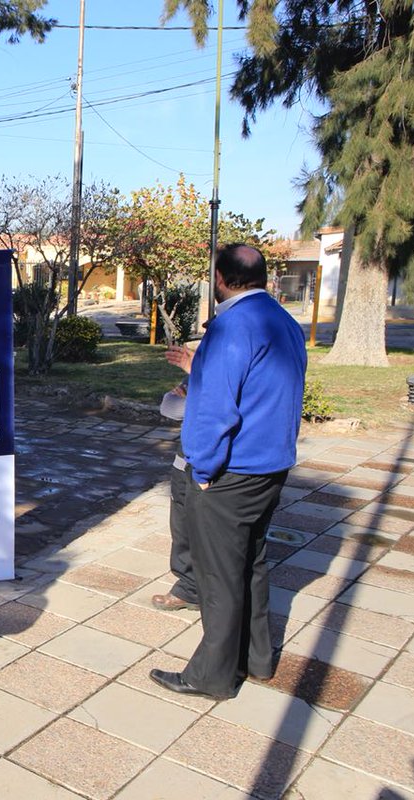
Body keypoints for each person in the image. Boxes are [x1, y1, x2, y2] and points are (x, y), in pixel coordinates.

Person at [150, 244, 306, 701]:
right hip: (272, 465)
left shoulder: (230, 326)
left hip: (231, 471)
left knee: (219, 576)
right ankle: (257, 659)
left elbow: (215, 409)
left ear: (220, 279)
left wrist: (202, 466)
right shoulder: (284, 322)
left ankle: (211, 676)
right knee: (251, 564)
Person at [151, 348, 199, 613]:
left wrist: (195, 399)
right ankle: (189, 586)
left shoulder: (221, 369)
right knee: (181, 524)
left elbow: (213, 407)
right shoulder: (199, 366)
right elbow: (169, 406)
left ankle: (199, 588)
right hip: (185, 458)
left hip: (208, 459)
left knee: (205, 526)